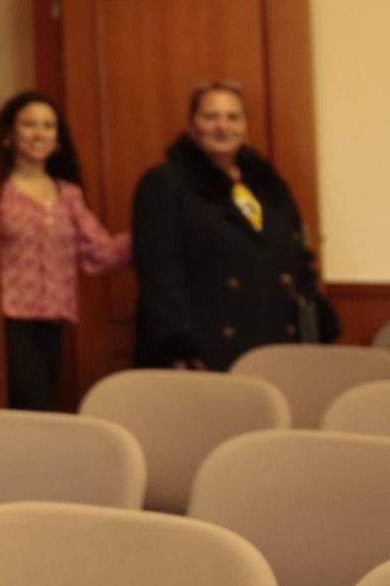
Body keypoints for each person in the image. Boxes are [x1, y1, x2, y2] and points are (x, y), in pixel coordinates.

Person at [132, 80, 339, 371]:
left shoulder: (270, 187)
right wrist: (178, 344)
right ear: (192, 126)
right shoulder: (164, 184)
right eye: (211, 117)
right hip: (203, 349)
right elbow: (160, 273)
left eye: (233, 117)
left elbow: (296, 258)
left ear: (245, 126)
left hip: (273, 340)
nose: (223, 126)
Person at [0, 91, 131, 410]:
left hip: (55, 320)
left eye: (48, 126)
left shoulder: (68, 194)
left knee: (43, 404)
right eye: (29, 124)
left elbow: (101, 250)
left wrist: (153, 236)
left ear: (58, 138)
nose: (38, 134)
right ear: (10, 134)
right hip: (7, 320)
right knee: (31, 402)